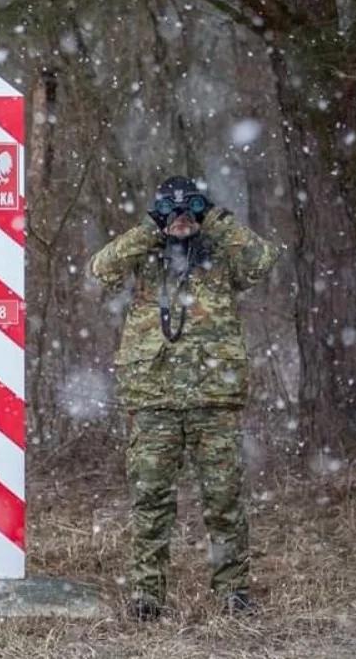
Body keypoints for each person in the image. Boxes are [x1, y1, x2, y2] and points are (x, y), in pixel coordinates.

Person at [87, 176, 277, 620]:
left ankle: (233, 591)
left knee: (224, 498)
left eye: (188, 210)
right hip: (154, 400)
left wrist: (213, 217)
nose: (181, 220)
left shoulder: (220, 252)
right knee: (151, 500)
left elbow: (262, 261)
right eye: (172, 212)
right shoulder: (145, 255)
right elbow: (101, 269)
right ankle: (147, 596)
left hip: (214, 398)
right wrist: (150, 227)